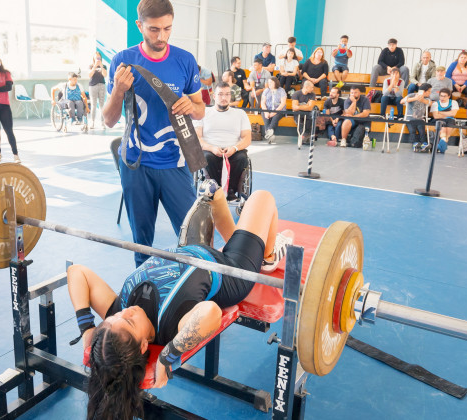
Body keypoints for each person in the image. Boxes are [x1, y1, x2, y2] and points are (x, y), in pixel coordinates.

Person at [69, 182, 294, 419]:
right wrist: (169, 356)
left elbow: (78, 273)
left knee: (214, 194)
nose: (127, 312)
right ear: (145, 344)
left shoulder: (119, 314)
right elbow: (210, 312)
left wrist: (87, 326)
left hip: (191, 249)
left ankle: (247, 240)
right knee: (262, 198)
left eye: (114, 317)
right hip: (229, 269)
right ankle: (266, 257)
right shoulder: (170, 326)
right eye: (130, 322)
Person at [103, 0, 205, 267]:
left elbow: (201, 109)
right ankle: (143, 293)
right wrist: (117, 90)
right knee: (141, 244)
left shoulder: (184, 60)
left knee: (194, 239)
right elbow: (109, 120)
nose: (161, 36)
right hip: (136, 164)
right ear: (139, 26)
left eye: (167, 28)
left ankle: (195, 294)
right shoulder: (122, 61)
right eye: (153, 30)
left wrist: (191, 106)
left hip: (176, 161)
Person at [195, 82, 251, 200]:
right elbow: (197, 138)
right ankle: (215, 191)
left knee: (242, 158)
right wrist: (211, 148)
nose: (224, 98)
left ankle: (231, 191)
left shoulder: (240, 114)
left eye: (227, 94)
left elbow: (247, 138)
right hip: (210, 150)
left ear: (231, 96)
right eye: (220, 94)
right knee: (206, 158)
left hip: (233, 150)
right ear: (214, 96)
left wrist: (234, 148)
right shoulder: (204, 113)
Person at [400, 83, 432, 151]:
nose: (430, 93)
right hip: (410, 119)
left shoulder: (427, 98)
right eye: (429, 91)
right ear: (424, 91)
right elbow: (402, 101)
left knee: (422, 131)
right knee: (412, 130)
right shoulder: (411, 95)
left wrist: (422, 99)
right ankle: (415, 143)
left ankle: (424, 143)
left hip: (420, 119)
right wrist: (415, 98)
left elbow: (430, 103)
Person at [430, 88, 459, 153]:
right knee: (443, 132)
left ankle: (440, 147)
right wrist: (448, 113)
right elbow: (436, 116)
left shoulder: (454, 102)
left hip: (450, 120)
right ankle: (442, 148)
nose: (442, 98)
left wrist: (440, 112)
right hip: (438, 120)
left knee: (447, 135)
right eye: (441, 96)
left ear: (449, 96)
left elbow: (453, 114)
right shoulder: (435, 104)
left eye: (444, 96)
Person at [260, 77, 286, 144]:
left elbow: (282, 103)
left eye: (271, 82)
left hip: (279, 110)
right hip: (268, 109)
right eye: (268, 82)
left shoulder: (281, 90)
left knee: (275, 116)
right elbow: (262, 102)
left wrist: (274, 112)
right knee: (264, 115)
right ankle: (270, 133)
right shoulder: (266, 90)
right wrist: (266, 112)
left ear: (275, 82)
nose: (269, 84)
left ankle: (268, 131)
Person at [291, 80, 319, 144]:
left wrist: (299, 106)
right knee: (299, 121)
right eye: (311, 87)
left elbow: (310, 108)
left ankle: (305, 136)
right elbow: (294, 108)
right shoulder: (296, 94)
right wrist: (306, 105)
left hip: (308, 113)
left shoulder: (312, 94)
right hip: (298, 113)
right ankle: (304, 136)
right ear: (306, 87)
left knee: (310, 118)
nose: (313, 89)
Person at [88, 51, 107, 129]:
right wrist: (95, 66)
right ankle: (92, 122)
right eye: (96, 57)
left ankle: (103, 123)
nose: (97, 59)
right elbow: (90, 75)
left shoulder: (104, 66)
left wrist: (101, 66)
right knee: (93, 105)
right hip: (93, 86)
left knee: (102, 105)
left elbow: (105, 75)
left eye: (99, 57)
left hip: (101, 85)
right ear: (93, 58)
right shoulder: (91, 66)